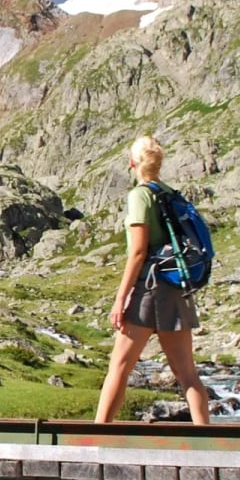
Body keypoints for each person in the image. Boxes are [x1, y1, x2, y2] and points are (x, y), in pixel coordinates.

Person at [94, 135, 211, 425]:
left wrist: (120, 299)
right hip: (177, 287)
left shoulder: (140, 195)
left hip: (150, 288)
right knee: (187, 373)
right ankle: (208, 439)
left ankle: (95, 436)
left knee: (119, 367)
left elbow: (137, 252)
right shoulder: (170, 193)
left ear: (132, 163)